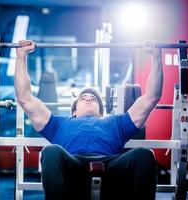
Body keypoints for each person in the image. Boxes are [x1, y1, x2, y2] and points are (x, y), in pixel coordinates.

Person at [15, 40, 163, 200]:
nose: (88, 99)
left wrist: (156, 57)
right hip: (72, 166)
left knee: (144, 155)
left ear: (101, 112)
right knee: (50, 151)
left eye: (93, 98)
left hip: (111, 167)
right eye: (83, 98)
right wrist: (21, 56)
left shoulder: (116, 123)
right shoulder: (57, 124)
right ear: (74, 112)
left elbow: (151, 98)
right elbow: (25, 99)